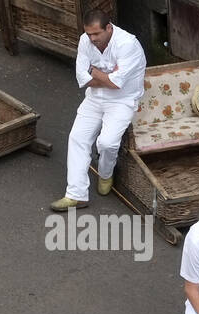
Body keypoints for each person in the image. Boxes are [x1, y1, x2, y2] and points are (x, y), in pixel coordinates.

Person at [50, 10, 146, 211]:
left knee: (107, 143)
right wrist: (106, 77)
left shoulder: (127, 44)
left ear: (109, 28)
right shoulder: (85, 40)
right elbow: (82, 79)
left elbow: (116, 84)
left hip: (122, 101)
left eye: (96, 34)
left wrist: (93, 71)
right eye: (89, 34)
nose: (91, 39)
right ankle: (76, 195)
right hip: (94, 99)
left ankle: (105, 173)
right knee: (77, 138)